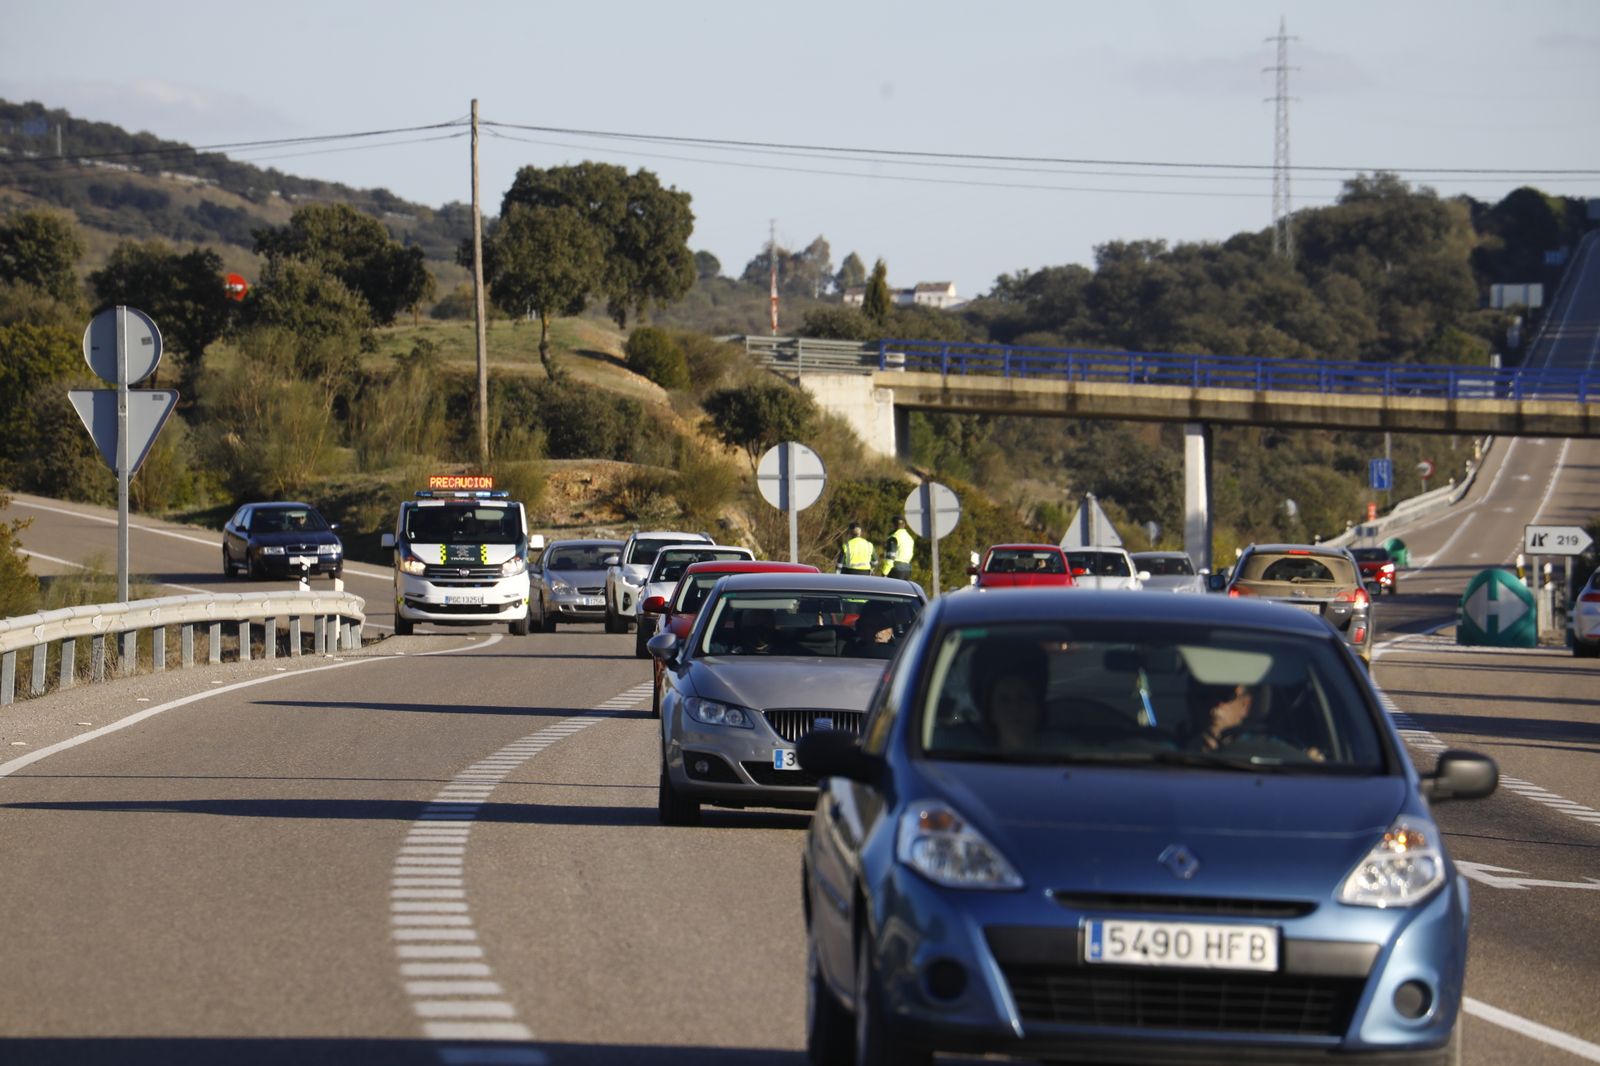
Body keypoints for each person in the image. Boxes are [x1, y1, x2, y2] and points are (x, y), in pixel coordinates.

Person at [1189, 682, 1324, 762]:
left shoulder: (1275, 746)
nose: (1216, 705)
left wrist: (1309, 761)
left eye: (1226, 696)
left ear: (1245, 705)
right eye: (1205, 695)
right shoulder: (1172, 750)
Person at [971, 641, 1050, 752]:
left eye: (1024, 698)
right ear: (991, 713)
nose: (1015, 708)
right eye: (1004, 700)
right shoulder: (965, 761)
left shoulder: (1069, 754)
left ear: (1038, 709)